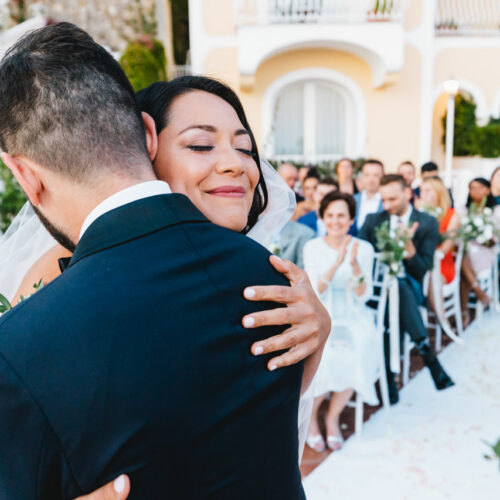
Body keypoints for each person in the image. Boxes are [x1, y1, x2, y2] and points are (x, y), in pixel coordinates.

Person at [0, 23, 308, 499]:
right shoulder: (265, 278)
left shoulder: (21, 342)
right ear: (149, 137)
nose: (232, 164)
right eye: (201, 144)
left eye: (245, 148)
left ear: (24, 173)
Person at [359, 174, 454, 405]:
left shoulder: (427, 223)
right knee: (393, 288)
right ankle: (427, 355)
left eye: (392, 199)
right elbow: (362, 259)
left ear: (408, 194)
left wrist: (409, 249)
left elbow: (423, 270)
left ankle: (390, 379)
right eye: (384, 200)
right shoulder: (373, 220)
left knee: (398, 290)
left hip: (410, 288)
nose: (387, 205)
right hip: (376, 290)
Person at [304, 192, 379, 452]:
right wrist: (337, 263)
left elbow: (364, 296)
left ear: (351, 219)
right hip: (322, 316)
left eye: (342, 216)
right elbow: (316, 293)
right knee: (324, 361)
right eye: (331, 215)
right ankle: (311, 420)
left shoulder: (364, 248)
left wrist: (356, 265)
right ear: (323, 218)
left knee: (358, 351)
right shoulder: (312, 247)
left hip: (353, 316)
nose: (336, 221)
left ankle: (333, 417)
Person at [459, 177, 499, 321]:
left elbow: (496, 240)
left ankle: (464, 313)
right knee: (463, 256)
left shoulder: (495, 211)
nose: (476, 191)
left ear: (488, 190)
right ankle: (479, 293)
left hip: (485, 251)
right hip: (465, 250)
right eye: (472, 188)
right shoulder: (464, 210)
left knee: (463, 264)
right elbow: (458, 234)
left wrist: (481, 236)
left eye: (480, 187)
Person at [417, 176, 460, 284]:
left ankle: (435, 301)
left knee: (430, 280)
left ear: (438, 192)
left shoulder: (452, 215)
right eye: (421, 190)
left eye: (428, 190)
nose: (423, 194)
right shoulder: (418, 213)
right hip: (418, 261)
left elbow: (447, 245)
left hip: (440, 263)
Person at [353, 159, 384, 232]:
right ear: (362, 177)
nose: (371, 179)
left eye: (376, 175)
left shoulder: (387, 201)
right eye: (367, 175)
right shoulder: (352, 200)